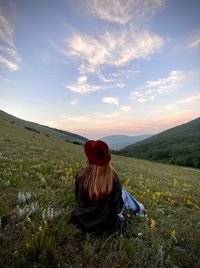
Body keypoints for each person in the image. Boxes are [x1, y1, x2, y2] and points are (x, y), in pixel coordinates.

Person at [71, 140, 146, 234]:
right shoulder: (112, 176)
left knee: (123, 194)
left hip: (82, 220)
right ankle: (140, 208)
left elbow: (77, 198)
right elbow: (117, 206)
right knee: (124, 195)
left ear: (89, 157)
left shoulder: (81, 174)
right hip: (103, 223)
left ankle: (139, 207)